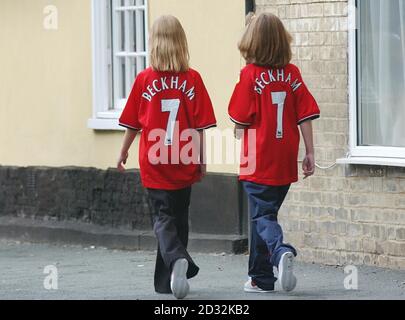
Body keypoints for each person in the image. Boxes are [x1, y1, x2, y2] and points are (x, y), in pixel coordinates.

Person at [117, 15, 217, 299]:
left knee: (162, 219)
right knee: (179, 218)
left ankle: (176, 260)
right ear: (181, 42)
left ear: (154, 43)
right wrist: (202, 159)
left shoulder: (144, 79)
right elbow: (199, 126)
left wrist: (124, 151)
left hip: (154, 160)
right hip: (184, 157)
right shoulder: (193, 78)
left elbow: (133, 125)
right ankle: (168, 281)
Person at [228, 12, 320, 293]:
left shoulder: (249, 74)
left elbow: (240, 119)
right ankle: (261, 278)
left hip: (258, 161)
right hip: (284, 160)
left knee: (262, 218)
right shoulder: (292, 74)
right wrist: (310, 152)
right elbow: (305, 115)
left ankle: (281, 252)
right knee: (264, 216)